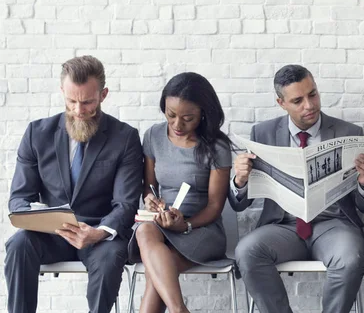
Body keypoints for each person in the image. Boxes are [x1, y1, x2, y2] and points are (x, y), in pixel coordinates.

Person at [229, 64, 364, 313]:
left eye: (313, 94)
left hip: (334, 225)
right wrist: (240, 181)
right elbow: (239, 205)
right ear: (281, 103)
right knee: (247, 252)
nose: (309, 105)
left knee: (350, 257)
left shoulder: (349, 133)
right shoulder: (262, 133)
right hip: (283, 226)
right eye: (298, 100)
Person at [4, 55, 143, 313]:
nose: (79, 111)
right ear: (62, 92)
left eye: (88, 102)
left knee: (112, 256)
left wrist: (99, 232)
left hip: (99, 236)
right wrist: (37, 217)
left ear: (103, 94)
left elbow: (125, 204)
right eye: (71, 101)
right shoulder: (37, 134)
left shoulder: (125, 138)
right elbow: (18, 198)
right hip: (53, 234)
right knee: (18, 244)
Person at [128, 72, 233, 313]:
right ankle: (179, 309)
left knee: (159, 276)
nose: (177, 125)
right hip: (161, 225)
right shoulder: (153, 136)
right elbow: (149, 187)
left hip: (201, 229)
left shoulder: (216, 146)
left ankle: (177, 310)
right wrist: (151, 200)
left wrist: (184, 225)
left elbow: (215, 207)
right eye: (171, 115)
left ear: (203, 113)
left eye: (188, 118)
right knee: (145, 232)